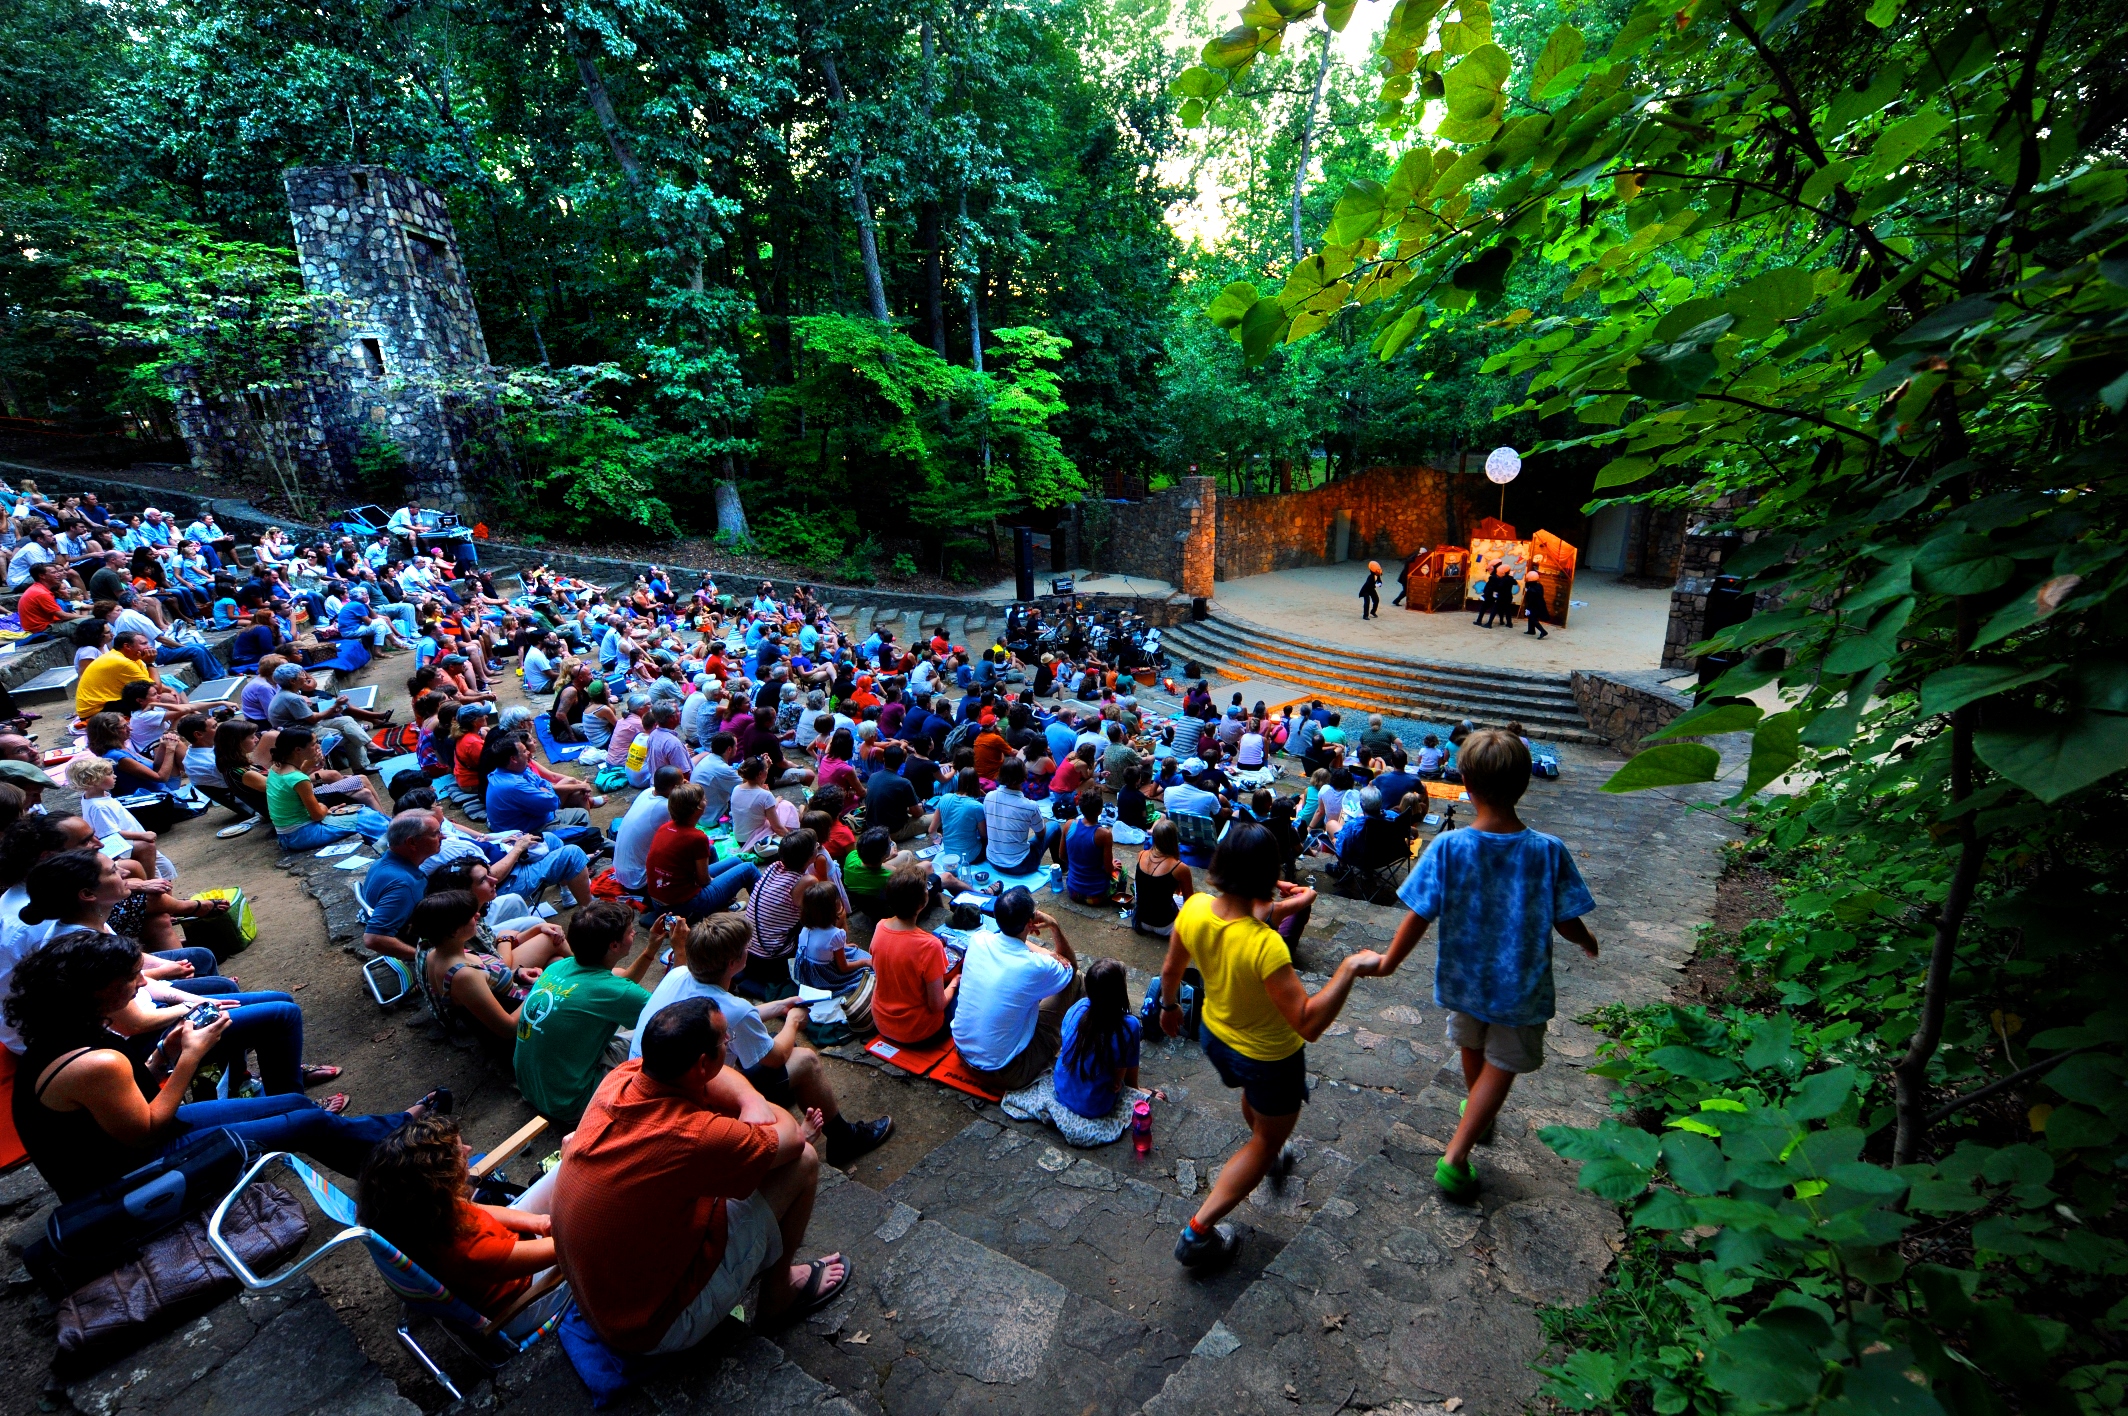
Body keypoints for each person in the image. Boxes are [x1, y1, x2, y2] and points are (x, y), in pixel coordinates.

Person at [7, 930, 443, 1201]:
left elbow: (125, 1104)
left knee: (294, 1102)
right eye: (131, 979)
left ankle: (392, 1143)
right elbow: (147, 1132)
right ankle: (408, 1173)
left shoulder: (63, 1031)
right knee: (307, 1123)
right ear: (94, 992)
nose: (142, 984)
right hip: (127, 1176)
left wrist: (163, 1056)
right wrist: (191, 1057)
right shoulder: (93, 1061)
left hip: (134, 1142)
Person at [1362, 729, 1598, 1202]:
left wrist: (1388, 961)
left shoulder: (1448, 848)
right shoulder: (1547, 850)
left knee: (1472, 1045)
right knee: (1503, 1064)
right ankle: (1455, 1157)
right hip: (1519, 987)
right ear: (1525, 783)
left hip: (1464, 979)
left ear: (1465, 784)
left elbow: (1418, 914)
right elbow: (1566, 918)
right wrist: (1587, 940)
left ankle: (1478, 1114)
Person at [549, 999, 850, 1355]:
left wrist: (749, 1098)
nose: (730, 1043)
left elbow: (716, 1080)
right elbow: (794, 1138)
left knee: (727, 1125)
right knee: (804, 1162)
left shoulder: (622, 1078)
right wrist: (755, 1102)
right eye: (726, 1040)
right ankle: (778, 1295)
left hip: (604, 1300)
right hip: (652, 1326)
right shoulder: (691, 1137)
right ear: (703, 1064)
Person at [1156, 821, 1380, 1270]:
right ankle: (1198, 1232)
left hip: (1216, 1038)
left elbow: (1171, 970)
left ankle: (1269, 1149)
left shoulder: (1194, 909)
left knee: (1257, 1108)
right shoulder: (1266, 946)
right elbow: (1307, 1023)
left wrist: (1169, 1007)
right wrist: (1349, 968)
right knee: (1264, 1141)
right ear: (1266, 875)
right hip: (1268, 1058)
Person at [630, 914, 890, 1165]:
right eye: (746, 948)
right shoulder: (732, 1009)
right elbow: (774, 1056)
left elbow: (738, 1015)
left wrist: (779, 1006)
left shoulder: (678, 974)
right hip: (689, 1104)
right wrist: (793, 1021)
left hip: (648, 1082)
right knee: (805, 1059)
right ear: (734, 962)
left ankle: (779, 1096)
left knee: (773, 1040)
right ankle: (844, 1138)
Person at [356, 1115, 568, 1336]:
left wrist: (540, 1222)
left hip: (506, 1255)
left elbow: (476, 1209)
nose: (468, 1149)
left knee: (570, 1160)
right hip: (525, 1299)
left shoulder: (422, 1211)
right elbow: (567, 1246)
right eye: (458, 1152)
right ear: (440, 1179)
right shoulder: (469, 1250)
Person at [513, 902, 666, 1123]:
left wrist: (650, 950)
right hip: (571, 1103)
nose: (634, 933)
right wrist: (680, 952)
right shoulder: (614, 992)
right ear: (614, 945)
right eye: (629, 931)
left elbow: (618, 985)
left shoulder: (559, 967)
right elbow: (672, 1022)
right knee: (669, 1044)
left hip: (534, 1089)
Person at [952, 887, 1080, 1093]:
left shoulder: (979, 940)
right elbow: (1070, 967)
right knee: (1077, 979)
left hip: (962, 1053)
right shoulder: (1034, 966)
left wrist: (1042, 950)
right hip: (1006, 1072)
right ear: (1030, 922)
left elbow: (1013, 942)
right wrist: (1054, 926)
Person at [643, 782, 762, 920]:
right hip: (684, 907)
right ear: (698, 807)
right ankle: (766, 916)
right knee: (748, 869)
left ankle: (721, 905)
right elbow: (704, 880)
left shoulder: (665, 828)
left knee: (735, 860)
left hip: (660, 902)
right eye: (704, 798)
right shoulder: (697, 837)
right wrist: (717, 881)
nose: (706, 800)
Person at [869, 866, 956, 1046]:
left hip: (883, 1022)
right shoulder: (930, 945)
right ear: (923, 902)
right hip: (918, 1031)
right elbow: (937, 1005)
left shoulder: (880, 927)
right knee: (962, 992)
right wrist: (955, 983)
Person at [267, 727, 390, 851]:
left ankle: (389, 842)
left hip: (287, 835)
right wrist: (324, 808)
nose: (317, 747)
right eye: (313, 744)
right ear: (298, 750)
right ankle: (391, 848)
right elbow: (317, 815)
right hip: (302, 835)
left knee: (363, 813)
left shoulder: (275, 768)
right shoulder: (299, 779)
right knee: (369, 818)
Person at [1053, 958, 1141, 1120]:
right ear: (1119, 991)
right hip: (1094, 1105)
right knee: (1120, 1058)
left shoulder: (1078, 1007)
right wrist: (1132, 1088)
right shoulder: (1129, 1026)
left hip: (1061, 1088)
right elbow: (1129, 1075)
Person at [983, 759, 1062, 875]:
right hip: (1020, 865)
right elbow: (1041, 834)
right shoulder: (1029, 806)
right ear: (1024, 778)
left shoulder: (988, 797)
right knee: (1054, 826)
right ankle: (1062, 867)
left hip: (993, 861)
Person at [793, 878, 870, 994]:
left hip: (806, 974)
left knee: (853, 951)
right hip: (826, 977)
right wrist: (865, 962)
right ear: (835, 906)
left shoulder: (805, 929)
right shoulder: (836, 934)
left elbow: (822, 948)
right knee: (869, 966)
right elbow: (844, 968)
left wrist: (843, 946)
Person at [612, 766, 680, 895]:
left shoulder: (647, 792)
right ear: (674, 788)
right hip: (638, 881)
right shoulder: (665, 807)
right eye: (682, 784)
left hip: (621, 873)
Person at [1131, 818, 1193, 937]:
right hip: (1167, 926)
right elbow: (1189, 902)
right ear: (1174, 839)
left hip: (1142, 921)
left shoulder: (1141, 855)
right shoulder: (1180, 867)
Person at [1062, 789, 1121, 905]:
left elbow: (1062, 856)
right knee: (1121, 869)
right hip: (1097, 895)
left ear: (1080, 807)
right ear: (1100, 811)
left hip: (1073, 891)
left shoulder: (1069, 825)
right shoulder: (1104, 834)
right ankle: (1117, 898)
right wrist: (1112, 865)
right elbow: (1108, 869)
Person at [1522, 568, 1550, 638]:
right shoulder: (1539, 585)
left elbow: (1530, 600)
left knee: (1533, 618)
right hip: (1540, 604)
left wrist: (1528, 608)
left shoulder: (1531, 590)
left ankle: (1543, 631)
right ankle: (1531, 630)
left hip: (1534, 605)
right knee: (1531, 617)